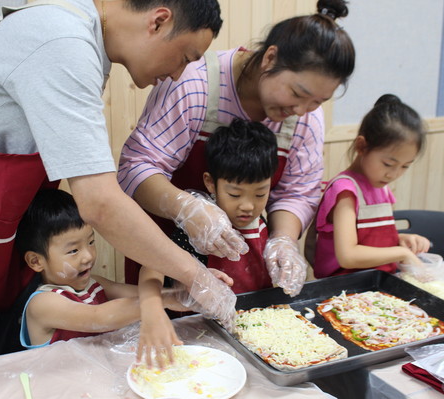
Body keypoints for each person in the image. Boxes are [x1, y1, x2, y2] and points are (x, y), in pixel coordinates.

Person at [0, 0, 233, 375]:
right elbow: (99, 202)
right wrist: (195, 276)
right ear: (158, 21)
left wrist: (171, 291)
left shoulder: (81, 39)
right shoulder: (62, 41)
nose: (179, 74)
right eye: (184, 56)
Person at [119, 0, 355, 358]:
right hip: (165, 254)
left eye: (317, 102)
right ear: (270, 58)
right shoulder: (195, 82)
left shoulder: (306, 118)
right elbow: (137, 167)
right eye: (297, 94)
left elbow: (298, 192)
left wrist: (283, 241)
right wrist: (187, 209)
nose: (303, 111)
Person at [16, 189, 188, 349]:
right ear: (36, 261)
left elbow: (140, 294)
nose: (88, 256)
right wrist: (164, 302)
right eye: (73, 250)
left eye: (91, 242)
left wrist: (182, 296)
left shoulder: (94, 284)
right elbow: (99, 317)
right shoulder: (42, 303)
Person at [312, 94, 430, 278]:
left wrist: (400, 240)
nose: (394, 174)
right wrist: (402, 253)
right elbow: (348, 256)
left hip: (376, 282)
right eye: (388, 164)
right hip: (345, 289)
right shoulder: (345, 190)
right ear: (361, 146)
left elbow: (372, 238)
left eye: (405, 166)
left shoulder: (381, 186)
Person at [170, 118, 279, 294]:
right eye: (235, 195)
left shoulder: (261, 224)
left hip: (259, 315)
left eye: (260, 194)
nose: (248, 206)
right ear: (211, 183)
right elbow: (170, 276)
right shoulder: (198, 226)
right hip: (207, 316)